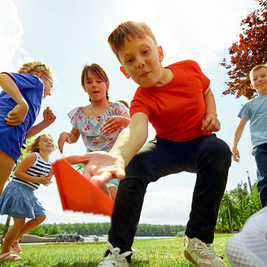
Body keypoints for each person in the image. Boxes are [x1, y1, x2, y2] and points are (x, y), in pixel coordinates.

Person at [63, 21, 232, 267]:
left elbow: (206, 90)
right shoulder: (141, 98)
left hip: (200, 142)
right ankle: (118, 251)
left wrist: (213, 114)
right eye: (130, 60)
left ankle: (198, 241)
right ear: (124, 71)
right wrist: (118, 157)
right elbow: (136, 129)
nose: (140, 62)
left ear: (159, 52)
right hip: (166, 146)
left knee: (219, 150)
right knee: (136, 164)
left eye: (144, 51)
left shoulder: (190, 68)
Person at [58, 63, 130, 200]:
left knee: (113, 195)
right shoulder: (80, 113)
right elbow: (74, 136)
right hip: (93, 163)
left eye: (98, 81)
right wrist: (66, 135)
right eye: (89, 82)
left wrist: (124, 121)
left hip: (113, 160)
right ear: (84, 88)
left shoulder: (116, 108)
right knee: (105, 197)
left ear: (107, 85)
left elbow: (134, 125)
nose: (94, 85)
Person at [0, 61, 56, 195]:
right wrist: (22, 103)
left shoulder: (30, 98)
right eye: (51, 86)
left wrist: (45, 123)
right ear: (41, 76)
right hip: (5, 135)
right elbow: (3, 76)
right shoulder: (37, 82)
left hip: (12, 139)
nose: (49, 94)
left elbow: (24, 133)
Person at [0, 134, 54, 261]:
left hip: (29, 192)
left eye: (51, 141)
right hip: (18, 188)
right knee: (19, 223)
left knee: (40, 216)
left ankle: (13, 239)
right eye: (45, 140)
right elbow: (18, 172)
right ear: (37, 146)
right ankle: (4, 254)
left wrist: (51, 174)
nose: (49, 142)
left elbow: (45, 181)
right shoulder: (33, 156)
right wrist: (38, 179)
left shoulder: (50, 164)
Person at [232, 64, 267, 208]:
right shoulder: (250, 105)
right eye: (255, 78)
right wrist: (234, 146)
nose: (260, 79)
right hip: (260, 146)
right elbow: (240, 127)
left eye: (263, 75)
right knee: (265, 179)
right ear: (252, 85)